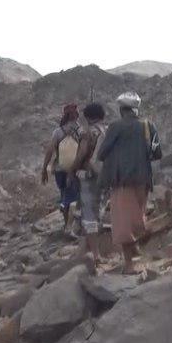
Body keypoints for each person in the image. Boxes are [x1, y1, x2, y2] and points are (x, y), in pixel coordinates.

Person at [97, 91, 163, 274]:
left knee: (123, 223)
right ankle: (135, 252)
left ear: (121, 110)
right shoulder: (148, 126)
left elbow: (102, 154)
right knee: (137, 219)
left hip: (122, 180)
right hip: (143, 179)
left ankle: (129, 264)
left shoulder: (115, 127)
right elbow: (157, 153)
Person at [69, 102, 108, 269]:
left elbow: (82, 154)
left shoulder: (88, 133)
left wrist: (72, 170)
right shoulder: (106, 131)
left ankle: (96, 255)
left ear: (87, 117)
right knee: (98, 212)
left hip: (88, 176)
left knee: (89, 216)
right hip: (104, 177)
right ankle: (89, 250)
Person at [40, 103, 81, 234]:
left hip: (60, 169)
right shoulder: (81, 131)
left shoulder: (58, 132)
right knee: (74, 198)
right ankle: (70, 227)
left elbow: (49, 151)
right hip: (75, 170)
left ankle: (65, 222)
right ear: (77, 115)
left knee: (64, 193)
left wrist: (44, 168)